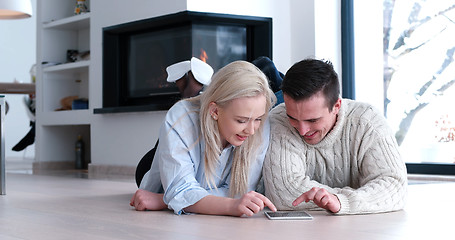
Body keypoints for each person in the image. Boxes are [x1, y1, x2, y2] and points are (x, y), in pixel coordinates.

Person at [131, 60, 278, 217]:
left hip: (198, 171)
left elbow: (241, 191)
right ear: (215, 111)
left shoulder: (260, 125)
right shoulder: (181, 117)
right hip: (163, 170)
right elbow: (179, 189)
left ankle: (191, 88)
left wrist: (165, 201)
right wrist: (230, 205)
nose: (251, 130)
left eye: (258, 119)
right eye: (241, 120)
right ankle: (190, 88)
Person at [262, 58, 408, 215]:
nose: (302, 130)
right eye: (293, 118)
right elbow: (284, 193)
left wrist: (340, 201)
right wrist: (363, 198)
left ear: (336, 106)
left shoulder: (368, 121)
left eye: (313, 120)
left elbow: (394, 185)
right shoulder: (279, 118)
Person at [134, 57, 214, 187]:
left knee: (176, 124)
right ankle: (190, 97)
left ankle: (189, 97)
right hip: (154, 169)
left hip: (151, 170)